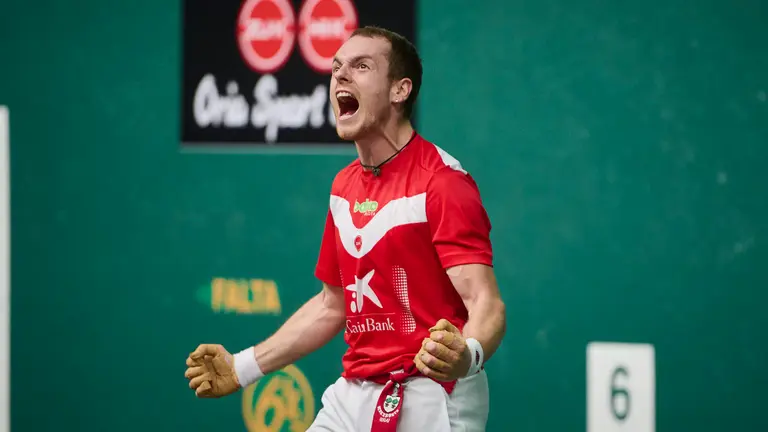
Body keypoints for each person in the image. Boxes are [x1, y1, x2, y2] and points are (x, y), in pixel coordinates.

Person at [184, 26, 507, 431]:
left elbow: (486, 303)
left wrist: (467, 355)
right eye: (337, 68)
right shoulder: (344, 187)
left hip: (431, 395)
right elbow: (331, 305)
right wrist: (242, 367)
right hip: (352, 394)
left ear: (399, 90)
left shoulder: (441, 182)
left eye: (361, 66)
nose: (340, 75)